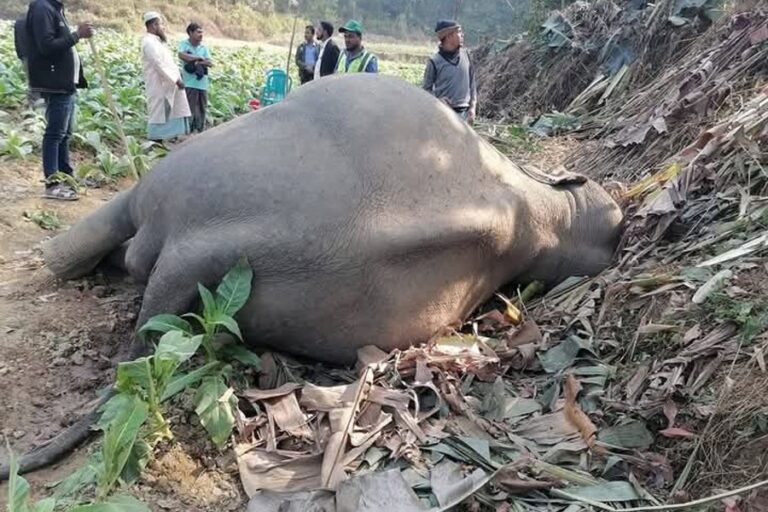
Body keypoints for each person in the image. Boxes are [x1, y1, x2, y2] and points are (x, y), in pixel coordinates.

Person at [25, 0, 94, 201]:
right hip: (54, 84)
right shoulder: (42, 8)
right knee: (55, 134)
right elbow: (46, 46)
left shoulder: (54, 9)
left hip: (65, 84)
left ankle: (66, 177)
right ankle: (53, 184)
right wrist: (77, 35)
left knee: (65, 134)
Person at [141, 11, 191, 142]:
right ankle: (156, 140)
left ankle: (169, 137)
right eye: (161, 24)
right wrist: (175, 79)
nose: (163, 27)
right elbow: (159, 64)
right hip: (159, 84)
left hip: (167, 82)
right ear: (154, 25)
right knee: (159, 113)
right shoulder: (148, 43)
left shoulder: (156, 42)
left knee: (171, 111)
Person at [422, 20, 477, 124]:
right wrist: (438, 100)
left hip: (465, 114)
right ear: (448, 36)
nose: (462, 35)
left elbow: (472, 84)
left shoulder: (467, 56)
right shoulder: (434, 61)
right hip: (444, 114)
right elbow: (425, 91)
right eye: (459, 32)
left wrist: (473, 107)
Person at [178, 22, 212, 133]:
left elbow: (210, 63)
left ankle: (200, 130)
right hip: (189, 83)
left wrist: (197, 63)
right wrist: (199, 58)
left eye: (201, 32)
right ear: (190, 33)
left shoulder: (204, 47)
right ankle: (188, 130)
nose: (201, 35)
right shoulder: (184, 44)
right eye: (198, 32)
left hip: (202, 83)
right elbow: (182, 56)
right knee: (189, 107)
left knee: (202, 107)